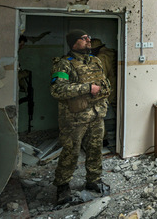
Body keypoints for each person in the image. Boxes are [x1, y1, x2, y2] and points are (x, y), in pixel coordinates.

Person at [50, 29, 111, 204]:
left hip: (96, 114)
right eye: (83, 38)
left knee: (95, 149)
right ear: (73, 43)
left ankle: (93, 180)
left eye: (89, 37)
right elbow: (57, 90)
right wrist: (87, 88)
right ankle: (62, 186)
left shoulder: (95, 61)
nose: (88, 40)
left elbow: (103, 83)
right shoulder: (63, 64)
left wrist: (104, 91)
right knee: (70, 152)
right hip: (75, 118)